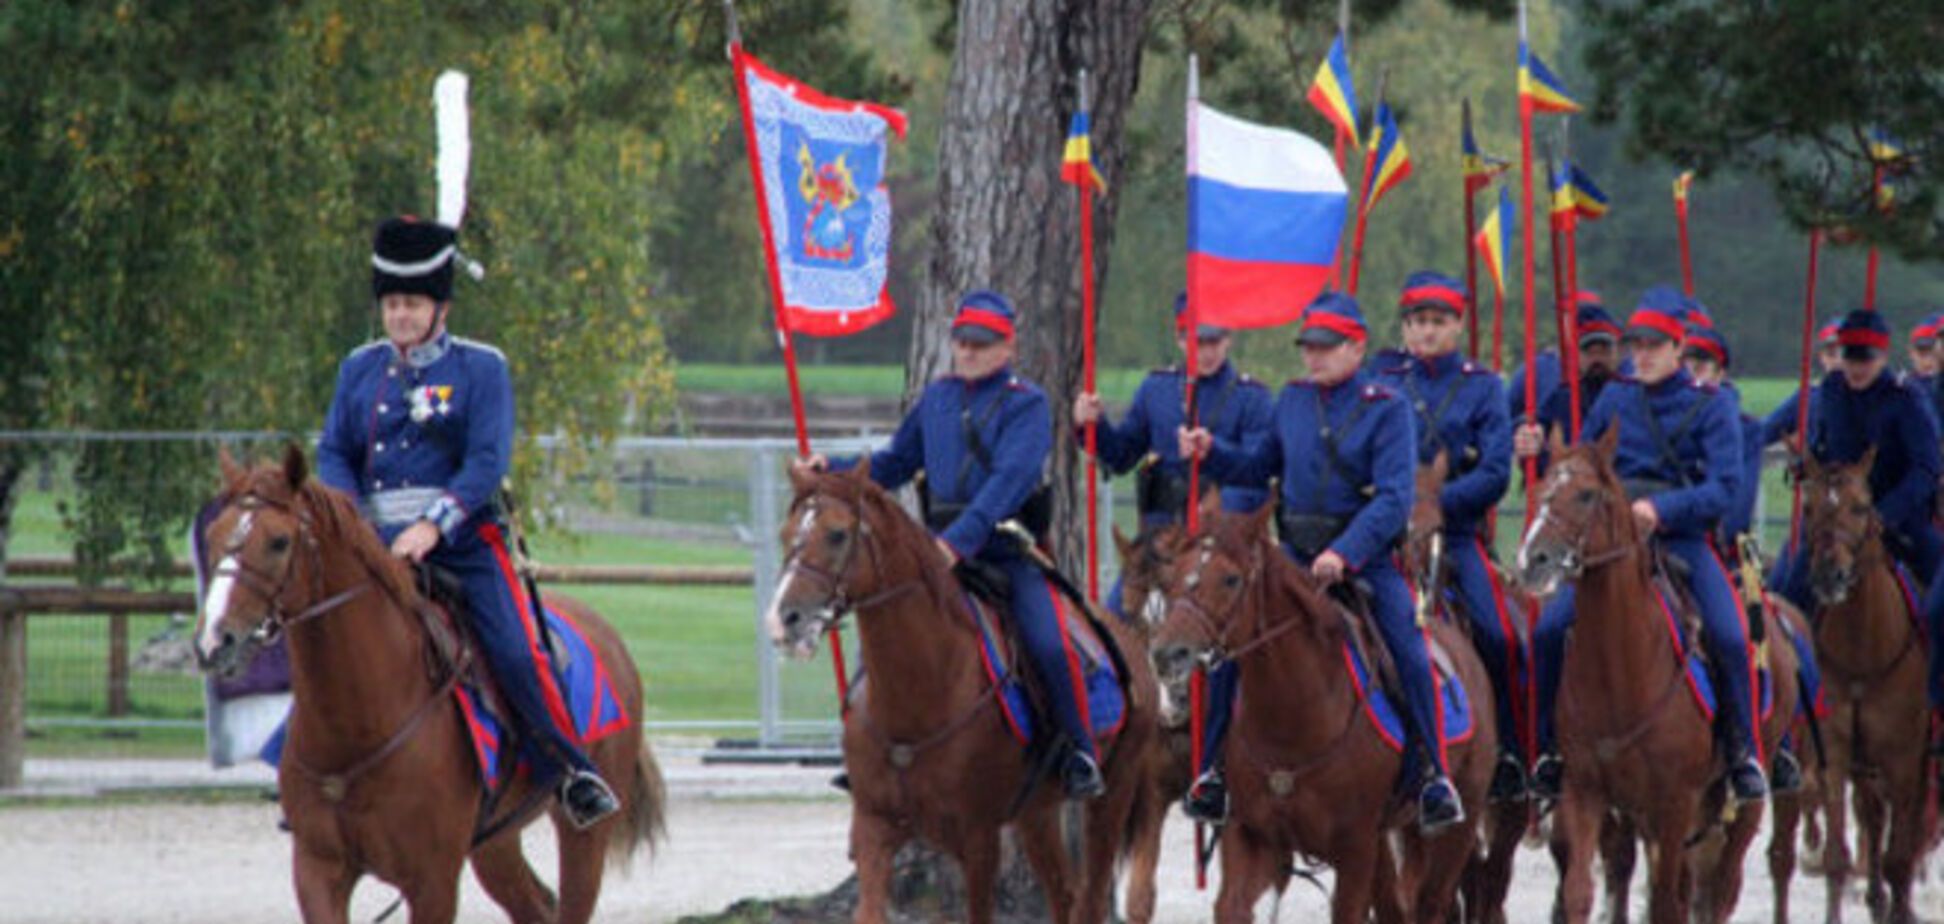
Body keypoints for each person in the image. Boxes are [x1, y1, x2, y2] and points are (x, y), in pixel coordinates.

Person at [317, 216, 619, 829]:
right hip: (371, 544)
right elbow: (334, 452)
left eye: (413, 304)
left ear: (441, 308)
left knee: (513, 651)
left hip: (459, 545)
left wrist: (432, 525)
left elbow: (485, 461)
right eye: (393, 305)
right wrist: (347, 518)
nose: (400, 317)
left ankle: (567, 771)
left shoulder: (482, 368)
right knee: (318, 635)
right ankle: (307, 771)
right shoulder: (358, 368)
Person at [793, 290, 1106, 799]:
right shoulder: (937, 398)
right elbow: (893, 462)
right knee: (883, 631)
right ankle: (867, 748)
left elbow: (1009, 481)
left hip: (1003, 553)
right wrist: (834, 468)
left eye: (981, 343)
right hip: (935, 554)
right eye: (962, 341)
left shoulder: (1027, 404)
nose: (968, 351)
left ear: (1008, 346)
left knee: (1048, 643)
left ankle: (1078, 750)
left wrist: (958, 543)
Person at [1180, 293, 1465, 832]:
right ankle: (1211, 771)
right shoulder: (1292, 401)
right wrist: (1210, 451)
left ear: (1356, 348)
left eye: (1326, 348)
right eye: (1309, 347)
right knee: (1227, 644)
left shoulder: (1388, 407)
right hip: (1292, 558)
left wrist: (1346, 553)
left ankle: (1432, 773)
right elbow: (1258, 466)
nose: (1314, 358)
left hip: (1365, 562)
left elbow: (1393, 499)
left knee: (1408, 645)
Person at [1524, 287, 1768, 803]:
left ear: (1679, 347)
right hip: (1609, 544)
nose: (1644, 354)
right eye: (1637, 344)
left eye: (1655, 345)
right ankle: (1546, 749)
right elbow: (1585, 461)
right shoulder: (1615, 397)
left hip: (1681, 541)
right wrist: (1543, 455)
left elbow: (1723, 487)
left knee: (1728, 635)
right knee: (1547, 629)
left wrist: (1661, 510)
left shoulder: (1712, 406)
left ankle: (1742, 749)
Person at [1374, 272, 1525, 801]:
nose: (1425, 333)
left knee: (1502, 635)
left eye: (1437, 322)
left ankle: (1511, 750)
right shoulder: (1383, 378)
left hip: (1456, 535)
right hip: (1383, 537)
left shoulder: (1483, 386)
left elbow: (1496, 471)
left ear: (1458, 325)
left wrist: (1439, 504)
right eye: (1416, 322)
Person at [1765, 309, 1944, 731]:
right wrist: (1810, 468)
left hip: (1899, 518)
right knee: (1783, 595)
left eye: (1865, 359)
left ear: (1882, 357)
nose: (1856, 367)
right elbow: (1826, 451)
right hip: (1840, 520)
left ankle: (1936, 699)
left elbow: (1926, 468)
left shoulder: (1905, 398)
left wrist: (1886, 513)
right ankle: (1792, 704)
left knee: (1940, 604)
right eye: (1850, 357)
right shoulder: (1830, 390)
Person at [1074, 291, 1272, 614]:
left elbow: (1255, 471)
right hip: (1160, 544)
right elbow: (1121, 455)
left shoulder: (1252, 398)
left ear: (1228, 339)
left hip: (1220, 549)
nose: (1205, 351)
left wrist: (1212, 451)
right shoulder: (1157, 389)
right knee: (1116, 621)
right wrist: (1092, 427)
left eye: (1213, 341)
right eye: (1195, 341)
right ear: (1179, 340)